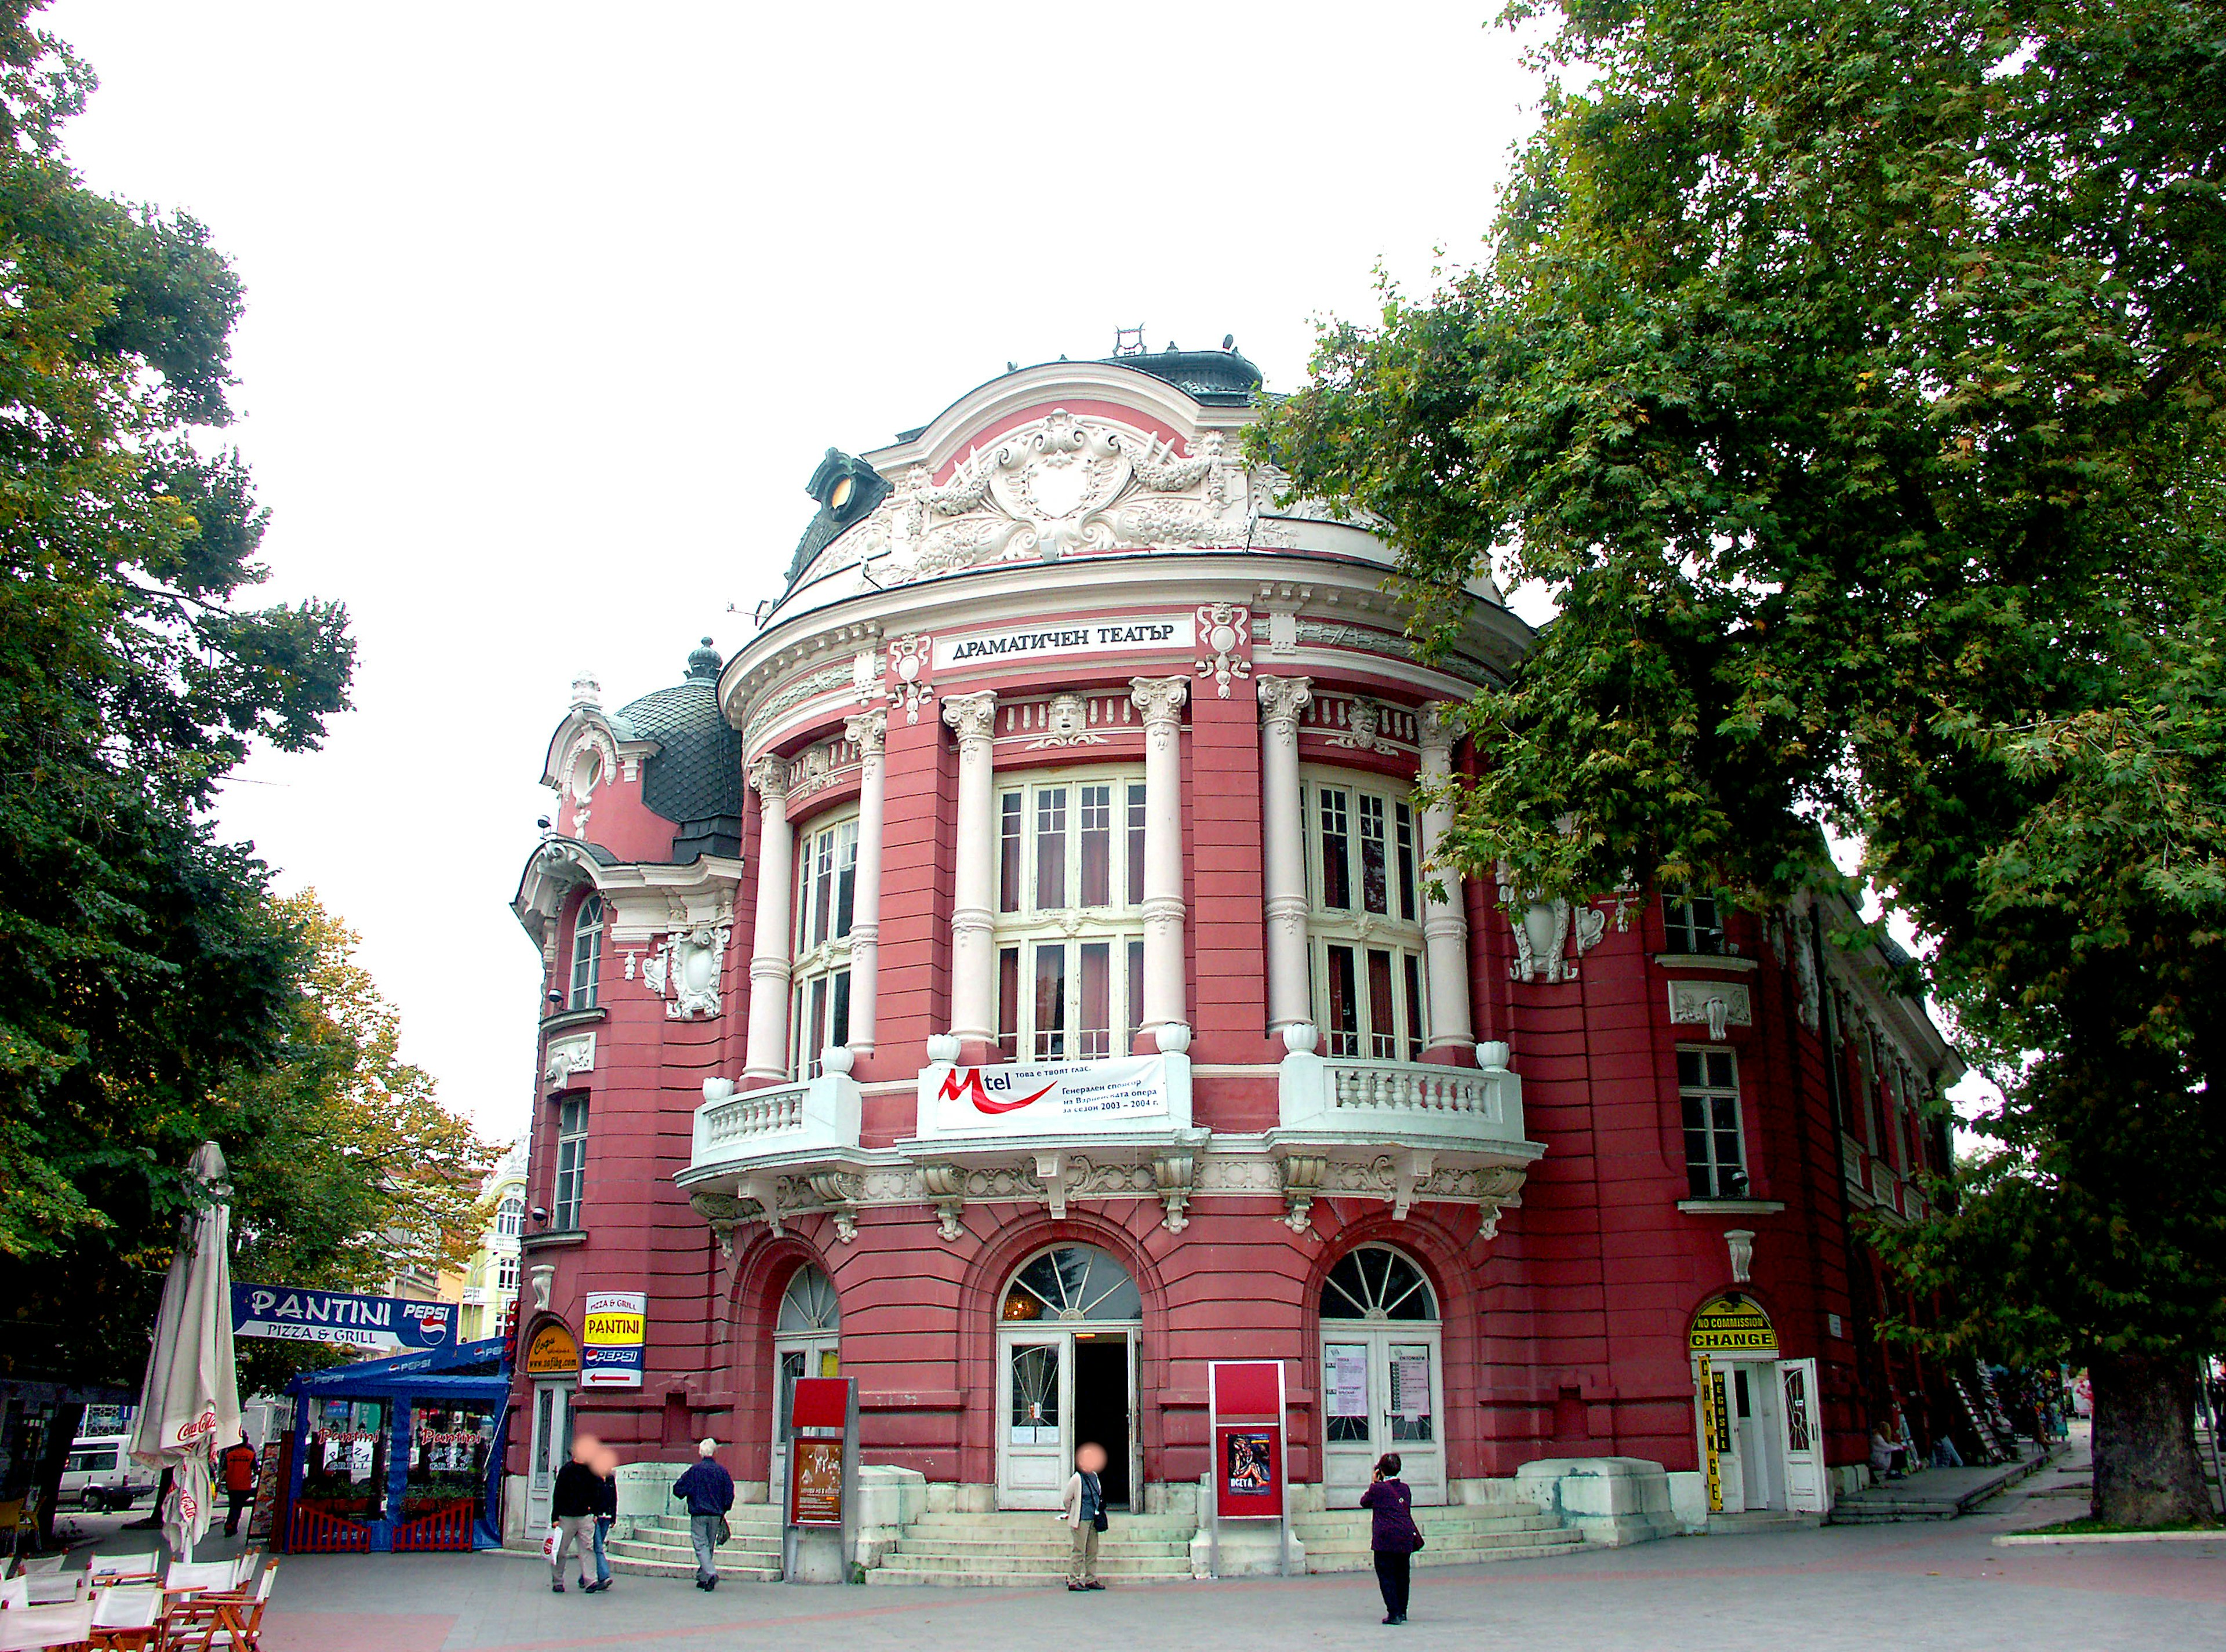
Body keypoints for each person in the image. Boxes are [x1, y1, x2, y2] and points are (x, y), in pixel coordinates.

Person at [1359, 1452, 1421, 1625]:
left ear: (1381, 1470)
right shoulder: (1405, 1489)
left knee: (1387, 1576)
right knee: (1403, 1575)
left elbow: (1364, 1502)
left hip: (1385, 1540)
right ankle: (1402, 1611)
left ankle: (1393, 1613)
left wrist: (1374, 1482)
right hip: (1404, 1537)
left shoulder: (1377, 1489)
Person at [672, 1437, 734, 1591]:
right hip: (716, 1514)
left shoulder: (694, 1471)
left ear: (701, 1453)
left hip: (699, 1513)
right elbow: (729, 1493)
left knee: (700, 1544)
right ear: (714, 1453)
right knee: (709, 1545)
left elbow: (678, 1489)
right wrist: (724, 1509)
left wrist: (690, 1494)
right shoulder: (722, 1471)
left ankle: (711, 1573)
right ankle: (703, 1577)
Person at [549, 1433, 602, 1593]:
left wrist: (595, 1513)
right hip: (566, 1517)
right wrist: (555, 1517)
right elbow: (558, 1494)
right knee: (561, 1551)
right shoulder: (566, 1471)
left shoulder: (591, 1471)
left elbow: (597, 1492)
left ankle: (591, 1581)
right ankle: (558, 1581)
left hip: (585, 1517)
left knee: (587, 1549)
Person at [1061, 1441, 1108, 1592]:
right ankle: (1074, 1580)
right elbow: (1067, 1499)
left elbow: (1098, 1495)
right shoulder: (1077, 1478)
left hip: (1093, 1519)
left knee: (1092, 1551)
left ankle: (1090, 1579)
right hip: (1081, 1520)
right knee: (1079, 1550)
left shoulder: (1095, 1477)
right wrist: (1072, 1513)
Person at [585, 1444, 620, 1593]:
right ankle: (604, 1576)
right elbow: (589, 1498)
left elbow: (614, 1499)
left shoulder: (611, 1479)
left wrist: (614, 1517)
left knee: (596, 1547)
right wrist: (592, 1513)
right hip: (595, 1517)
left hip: (606, 1517)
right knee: (598, 1547)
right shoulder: (592, 1479)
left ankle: (584, 1577)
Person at [218, 1432, 259, 1537]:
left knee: (233, 1506)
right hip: (244, 1486)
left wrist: (219, 1482)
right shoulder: (250, 1454)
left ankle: (231, 1526)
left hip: (231, 1485)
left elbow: (224, 1471)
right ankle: (231, 1525)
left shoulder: (230, 1454)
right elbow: (256, 1469)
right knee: (238, 1507)